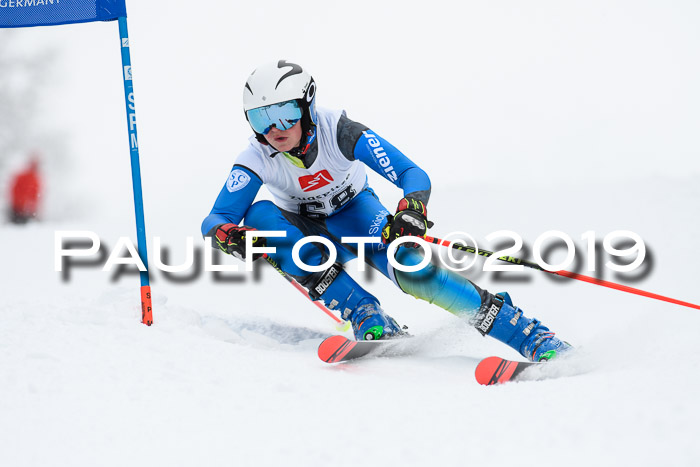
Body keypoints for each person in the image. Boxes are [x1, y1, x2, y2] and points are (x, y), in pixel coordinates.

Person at [202, 60, 571, 362]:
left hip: (355, 215)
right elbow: (216, 218)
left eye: (283, 113)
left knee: (413, 272)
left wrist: (411, 209)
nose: (274, 129)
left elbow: (413, 173)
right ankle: (365, 313)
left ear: (306, 107)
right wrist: (228, 236)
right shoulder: (255, 157)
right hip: (304, 231)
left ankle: (528, 335)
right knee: (259, 216)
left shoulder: (340, 131)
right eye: (261, 118)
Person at [9, 156, 42, 224]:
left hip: (22, 209)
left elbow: (35, 196)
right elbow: (15, 190)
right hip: (20, 208)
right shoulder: (28, 177)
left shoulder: (34, 178)